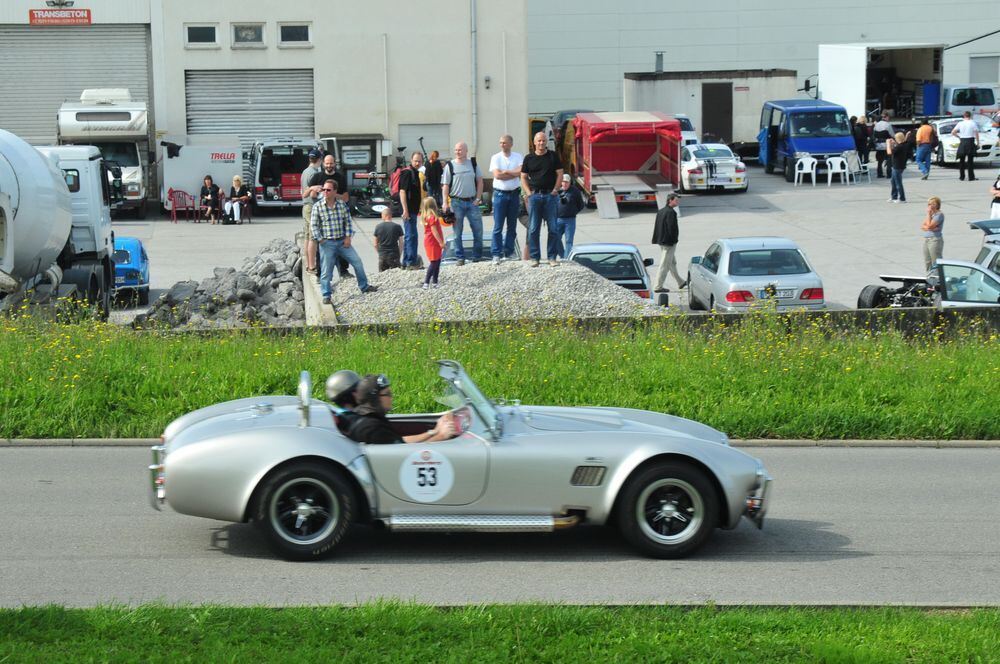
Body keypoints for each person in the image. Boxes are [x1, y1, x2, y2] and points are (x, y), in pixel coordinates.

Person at [310, 179, 378, 304]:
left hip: (342, 242)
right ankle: (326, 295)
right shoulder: (317, 207)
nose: (325, 192)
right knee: (326, 271)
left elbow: (348, 222)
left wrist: (348, 237)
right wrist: (320, 240)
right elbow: (313, 226)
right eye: (324, 189)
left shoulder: (342, 205)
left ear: (335, 191)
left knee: (357, 262)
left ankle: (364, 286)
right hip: (327, 243)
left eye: (328, 190)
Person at [347, 374, 457, 445]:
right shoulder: (371, 427)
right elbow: (403, 450)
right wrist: (441, 435)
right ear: (374, 399)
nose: (391, 397)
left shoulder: (367, 418)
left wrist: (434, 431)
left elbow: (400, 440)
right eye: (387, 394)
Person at [520, 131, 564, 267]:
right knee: (533, 229)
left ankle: (552, 257)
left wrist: (556, 189)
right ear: (534, 142)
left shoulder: (553, 156)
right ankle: (535, 258)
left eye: (543, 141)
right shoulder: (528, 158)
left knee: (553, 229)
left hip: (550, 197)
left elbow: (560, 173)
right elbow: (523, 176)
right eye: (539, 141)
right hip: (534, 197)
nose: (541, 143)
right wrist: (528, 193)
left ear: (546, 142)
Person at [441, 141, 484, 265]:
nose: (457, 152)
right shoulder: (450, 166)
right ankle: (460, 257)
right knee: (457, 232)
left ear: (466, 151)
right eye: (456, 150)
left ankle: (477, 257)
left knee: (478, 231)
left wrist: (478, 198)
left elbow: (480, 181)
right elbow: (445, 185)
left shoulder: (473, 164)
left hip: (472, 202)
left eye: (460, 150)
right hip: (456, 202)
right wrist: (445, 203)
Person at [309, 154, 352, 279]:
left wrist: (331, 194)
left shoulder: (341, 177)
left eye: (331, 163)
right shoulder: (317, 177)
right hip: (322, 216)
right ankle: (320, 274)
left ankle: (343, 271)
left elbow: (346, 197)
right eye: (327, 163)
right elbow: (311, 195)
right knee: (321, 248)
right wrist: (318, 191)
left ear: (335, 163)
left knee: (342, 244)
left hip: (338, 215)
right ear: (323, 163)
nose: (329, 165)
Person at [489, 134, 523, 263]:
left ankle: (509, 252)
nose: (502, 145)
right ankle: (496, 253)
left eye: (504, 142)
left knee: (512, 225)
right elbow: (497, 175)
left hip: (514, 194)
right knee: (498, 226)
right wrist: (512, 173)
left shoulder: (518, 156)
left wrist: (506, 172)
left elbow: (520, 172)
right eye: (501, 142)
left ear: (511, 144)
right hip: (500, 195)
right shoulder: (495, 157)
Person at [651, 193, 685, 292]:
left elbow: (657, 227)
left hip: (661, 241)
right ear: (670, 200)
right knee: (665, 264)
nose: (677, 202)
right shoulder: (671, 213)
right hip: (668, 243)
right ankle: (658, 286)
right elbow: (672, 229)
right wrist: (674, 240)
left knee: (672, 263)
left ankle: (680, 282)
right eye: (676, 200)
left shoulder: (661, 211)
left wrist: (657, 239)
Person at [397, 151, 424, 269]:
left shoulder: (415, 173)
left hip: (413, 210)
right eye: (415, 161)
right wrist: (405, 210)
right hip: (408, 211)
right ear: (411, 161)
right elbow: (402, 191)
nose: (417, 163)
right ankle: (410, 262)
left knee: (411, 235)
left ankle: (407, 261)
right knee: (410, 235)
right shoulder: (407, 173)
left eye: (419, 161)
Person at [300, 148, 323, 276]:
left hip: (305, 206)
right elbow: (313, 194)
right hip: (312, 205)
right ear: (319, 160)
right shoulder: (314, 173)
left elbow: (302, 190)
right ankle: (312, 266)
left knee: (307, 236)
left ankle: (308, 265)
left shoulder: (304, 172)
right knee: (313, 237)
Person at [555, 173, 585, 259]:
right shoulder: (556, 190)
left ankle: (567, 259)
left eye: (566, 182)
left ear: (569, 182)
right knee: (555, 238)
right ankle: (562, 255)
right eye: (563, 182)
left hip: (570, 220)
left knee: (569, 241)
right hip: (558, 219)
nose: (564, 184)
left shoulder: (575, 191)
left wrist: (573, 212)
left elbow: (581, 205)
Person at [420, 196, 445, 289]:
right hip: (433, 242)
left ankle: (435, 281)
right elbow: (434, 231)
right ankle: (426, 282)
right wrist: (441, 242)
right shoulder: (432, 217)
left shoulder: (427, 216)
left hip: (431, 242)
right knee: (434, 262)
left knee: (437, 261)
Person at [951, 111, 980, 181]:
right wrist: (978, 142)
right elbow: (976, 133)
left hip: (963, 141)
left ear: (964, 116)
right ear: (970, 116)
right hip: (970, 141)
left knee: (961, 161)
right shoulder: (973, 123)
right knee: (970, 161)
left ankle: (962, 176)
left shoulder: (960, 123)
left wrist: (959, 136)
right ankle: (971, 177)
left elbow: (953, 132)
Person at [887, 132, 912, 203]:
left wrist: (888, 144)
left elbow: (889, 152)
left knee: (898, 183)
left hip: (897, 166)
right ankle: (894, 196)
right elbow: (896, 147)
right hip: (900, 165)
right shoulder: (904, 145)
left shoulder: (900, 147)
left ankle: (902, 198)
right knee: (893, 181)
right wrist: (892, 143)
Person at [921, 196, 944, 272]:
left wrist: (928, 214)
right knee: (927, 260)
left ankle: (938, 277)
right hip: (927, 239)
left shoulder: (939, 215)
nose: (930, 205)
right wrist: (929, 227)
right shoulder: (931, 215)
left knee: (936, 261)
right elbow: (923, 226)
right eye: (929, 204)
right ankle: (929, 277)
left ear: (937, 205)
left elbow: (930, 225)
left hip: (935, 240)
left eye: (933, 204)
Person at [872, 113, 895, 179]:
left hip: (878, 145)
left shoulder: (876, 125)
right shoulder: (888, 125)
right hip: (887, 145)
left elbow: (874, 134)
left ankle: (879, 173)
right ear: (887, 117)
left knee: (880, 160)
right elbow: (892, 135)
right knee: (889, 160)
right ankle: (889, 174)